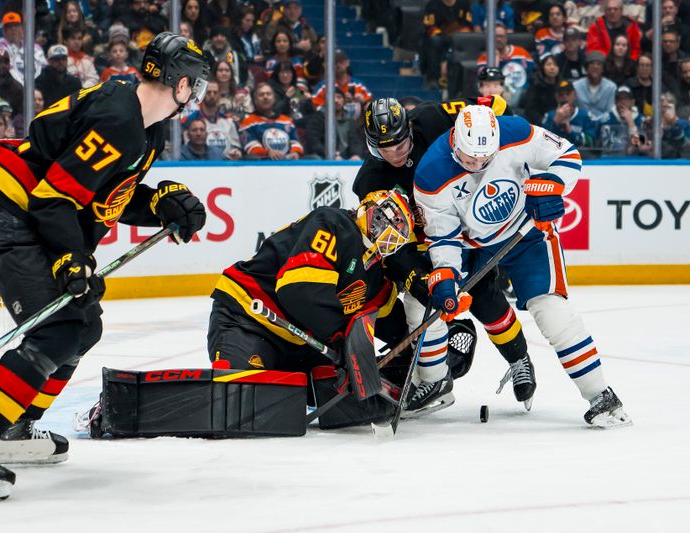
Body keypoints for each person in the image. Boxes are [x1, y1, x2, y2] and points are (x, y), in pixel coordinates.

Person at [0, 31, 210, 501]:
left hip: (32, 213)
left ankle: (15, 428)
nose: (197, 94)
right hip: (9, 210)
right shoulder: (118, 119)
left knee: (82, 327)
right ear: (180, 84)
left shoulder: (145, 127)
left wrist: (161, 203)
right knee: (57, 331)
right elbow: (52, 198)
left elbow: (101, 195)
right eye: (195, 84)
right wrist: (70, 257)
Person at [413, 104, 632, 428]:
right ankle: (435, 384)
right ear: (455, 142)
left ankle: (602, 397)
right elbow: (443, 236)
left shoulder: (515, 131)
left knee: (554, 313)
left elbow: (567, 156)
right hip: (473, 248)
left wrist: (553, 184)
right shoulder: (431, 172)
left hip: (527, 234)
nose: (476, 165)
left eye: (484, 160)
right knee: (423, 301)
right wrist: (444, 276)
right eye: (469, 158)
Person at [354, 96, 536, 413]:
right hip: (417, 244)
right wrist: (418, 279)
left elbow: (495, 106)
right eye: (386, 148)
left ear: (410, 127)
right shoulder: (370, 182)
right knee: (419, 302)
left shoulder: (434, 117)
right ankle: (434, 380)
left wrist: (516, 157)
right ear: (372, 146)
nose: (396, 153)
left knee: (483, 295)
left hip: (464, 228)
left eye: (401, 143)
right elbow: (390, 244)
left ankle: (519, 357)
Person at [208, 189, 411, 397]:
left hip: (303, 340)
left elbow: (386, 315)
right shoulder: (334, 223)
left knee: (346, 400)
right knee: (241, 398)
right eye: (381, 220)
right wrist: (340, 337)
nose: (385, 232)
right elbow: (299, 290)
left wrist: (415, 344)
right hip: (250, 318)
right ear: (366, 208)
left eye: (396, 231)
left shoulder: (373, 269)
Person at [477, 21, 536, 106]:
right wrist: (495, 62)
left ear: (506, 38)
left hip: (523, 95)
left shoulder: (521, 53)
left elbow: (533, 74)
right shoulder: (483, 59)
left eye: (501, 36)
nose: (498, 39)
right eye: (495, 37)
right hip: (498, 99)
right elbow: (485, 84)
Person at [239, 82, 304, 159]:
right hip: (263, 165)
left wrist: (295, 152)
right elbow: (251, 147)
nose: (265, 97)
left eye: (268, 94)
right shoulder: (248, 122)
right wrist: (268, 152)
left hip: (288, 163)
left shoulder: (287, 121)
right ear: (255, 100)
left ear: (274, 98)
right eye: (261, 95)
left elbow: (295, 142)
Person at [181, 80, 243, 159]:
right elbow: (188, 148)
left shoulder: (228, 120)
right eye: (208, 92)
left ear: (219, 95)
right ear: (202, 95)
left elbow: (236, 146)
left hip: (226, 165)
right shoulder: (190, 120)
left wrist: (236, 153)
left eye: (215, 92)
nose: (212, 95)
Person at [420, 0, 473, 89]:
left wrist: (456, 34)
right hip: (438, 37)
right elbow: (429, 26)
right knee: (434, 41)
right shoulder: (432, 5)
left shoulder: (464, 4)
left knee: (466, 41)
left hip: (458, 36)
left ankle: (463, 82)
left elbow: (468, 25)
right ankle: (433, 78)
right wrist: (445, 35)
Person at [304, 87, 362, 159]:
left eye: (339, 97)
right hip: (323, 158)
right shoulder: (317, 118)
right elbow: (313, 142)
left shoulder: (350, 120)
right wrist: (333, 155)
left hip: (345, 159)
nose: (336, 100)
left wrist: (355, 154)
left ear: (344, 101)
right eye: (332, 97)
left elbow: (356, 141)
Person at [0, 12, 48, 86]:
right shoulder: (0, 45)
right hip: (12, 85)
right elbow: (6, 68)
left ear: (21, 29)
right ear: (4, 31)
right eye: (9, 26)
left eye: (16, 25)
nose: (13, 29)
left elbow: (44, 65)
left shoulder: (33, 45)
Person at [543, 80, 597, 149]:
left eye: (568, 94)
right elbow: (543, 143)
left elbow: (590, 142)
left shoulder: (586, 116)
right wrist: (555, 122)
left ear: (574, 95)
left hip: (581, 156)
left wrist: (570, 131)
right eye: (561, 94)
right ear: (556, 97)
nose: (564, 97)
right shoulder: (549, 116)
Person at [574, 50, 617, 121]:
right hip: (581, 123)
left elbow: (610, 112)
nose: (595, 67)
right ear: (586, 68)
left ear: (603, 68)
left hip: (603, 125)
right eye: (592, 64)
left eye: (599, 64)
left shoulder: (611, 87)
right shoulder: (576, 86)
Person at [521, 55, 561, 125]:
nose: (552, 67)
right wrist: (544, 122)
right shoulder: (535, 85)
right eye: (548, 64)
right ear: (542, 67)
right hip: (539, 123)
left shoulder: (562, 84)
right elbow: (531, 109)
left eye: (555, 65)